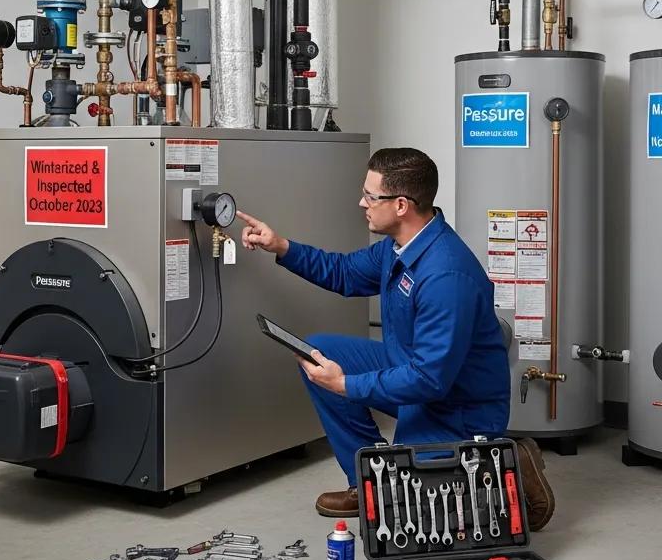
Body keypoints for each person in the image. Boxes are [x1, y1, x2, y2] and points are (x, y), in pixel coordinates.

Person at [237, 147, 554, 529]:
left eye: (370, 196)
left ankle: (512, 462)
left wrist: (347, 385)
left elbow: (430, 380)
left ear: (401, 204)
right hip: (414, 373)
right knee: (322, 353)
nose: (362, 203)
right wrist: (280, 246)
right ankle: (368, 484)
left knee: (423, 512)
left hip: (456, 407)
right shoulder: (399, 247)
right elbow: (344, 273)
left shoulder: (445, 276)